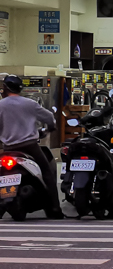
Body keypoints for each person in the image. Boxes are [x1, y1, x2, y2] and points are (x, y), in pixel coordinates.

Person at [0, 75, 64, 218]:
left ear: (5, 88)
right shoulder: (29, 103)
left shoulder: (1, 105)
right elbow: (49, 118)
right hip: (30, 146)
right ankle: (54, 208)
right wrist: (51, 127)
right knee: (47, 172)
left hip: (9, 148)